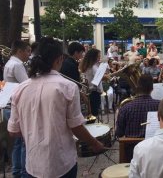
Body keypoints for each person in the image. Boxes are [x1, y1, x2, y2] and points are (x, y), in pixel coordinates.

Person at [7, 37, 105, 178]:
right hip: (62, 163)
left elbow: (13, 132)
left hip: (33, 164)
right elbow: (76, 127)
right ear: (59, 59)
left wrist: (34, 131)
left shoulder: (19, 89)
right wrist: (95, 143)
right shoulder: (68, 87)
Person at [3, 40, 31, 178]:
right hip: (17, 107)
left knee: (17, 143)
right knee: (24, 142)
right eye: (27, 51)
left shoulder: (9, 63)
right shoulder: (18, 65)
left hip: (9, 105)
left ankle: (16, 171)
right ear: (19, 51)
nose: (29, 54)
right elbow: (26, 85)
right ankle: (23, 172)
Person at [79, 49, 105, 117]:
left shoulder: (89, 66)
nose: (99, 58)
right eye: (98, 56)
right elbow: (98, 78)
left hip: (90, 91)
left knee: (92, 112)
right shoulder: (93, 67)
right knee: (94, 113)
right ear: (94, 57)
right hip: (94, 92)